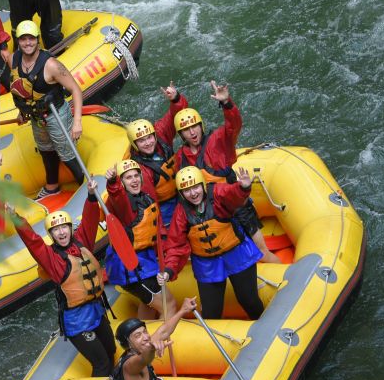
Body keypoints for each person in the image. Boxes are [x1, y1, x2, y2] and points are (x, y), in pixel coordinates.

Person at [173, 82, 278, 263]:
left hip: (236, 205)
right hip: (213, 215)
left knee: (262, 253)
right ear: (181, 135)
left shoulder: (216, 141)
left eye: (194, 126)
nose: (192, 132)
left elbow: (234, 125)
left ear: (201, 126)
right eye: (186, 130)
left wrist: (227, 103)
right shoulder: (180, 157)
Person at [15, 188, 115, 376]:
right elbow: (33, 242)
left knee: (111, 351)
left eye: (64, 227)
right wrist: (15, 217)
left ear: (70, 229)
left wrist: (92, 196)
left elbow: (90, 221)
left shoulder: (82, 242)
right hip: (77, 321)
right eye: (55, 230)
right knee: (101, 364)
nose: (61, 232)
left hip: (96, 309)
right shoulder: (53, 260)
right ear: (51, 235)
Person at [160, 166, 265, 320]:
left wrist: (243, 187)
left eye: (196, 187)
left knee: (248, 300)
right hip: (206, 265)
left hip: (237, 254)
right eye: (187, 190)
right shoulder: (181, 212)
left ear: (202, 185)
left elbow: (232, 195)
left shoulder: (216, 193)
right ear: (181, 193)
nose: (193, 193)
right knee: (211, 312)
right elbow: (176, 245)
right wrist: (169, 270)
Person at [9, 20, 84, 197]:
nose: (27, 43)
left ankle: (86, 185)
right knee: (45, 150)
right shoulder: (14, 59)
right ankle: (52, 186)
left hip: (56, 113)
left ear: (37, 39)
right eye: (23, 39)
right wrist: (22, 112)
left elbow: (75, 89)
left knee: (66, 153)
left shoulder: (51, 65)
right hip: (36, 117)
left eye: (31, 39)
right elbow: (21, 88)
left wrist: (77, 122)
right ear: (18, 41)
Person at [105, 160, 177, 320]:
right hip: (131, 269)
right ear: (121, 182)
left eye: (136, 175)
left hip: (145, 263)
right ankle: (160, 341)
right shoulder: (123, 205)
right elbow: (117, 196)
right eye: (128, 177)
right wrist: (112, 182)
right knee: (169, 303)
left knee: (148, 305)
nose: (134, 180)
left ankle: (145, 336)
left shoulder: (145, 198)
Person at [126, 82, 189, 224]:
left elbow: (178, 116)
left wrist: (175, 99)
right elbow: (150, 204)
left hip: (185, 191)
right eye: (141, 141)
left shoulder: (160, 134)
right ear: (135, 145)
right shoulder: (140, 170)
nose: (148, 143)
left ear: (154, 135)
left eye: (149, 137)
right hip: (165, 207)